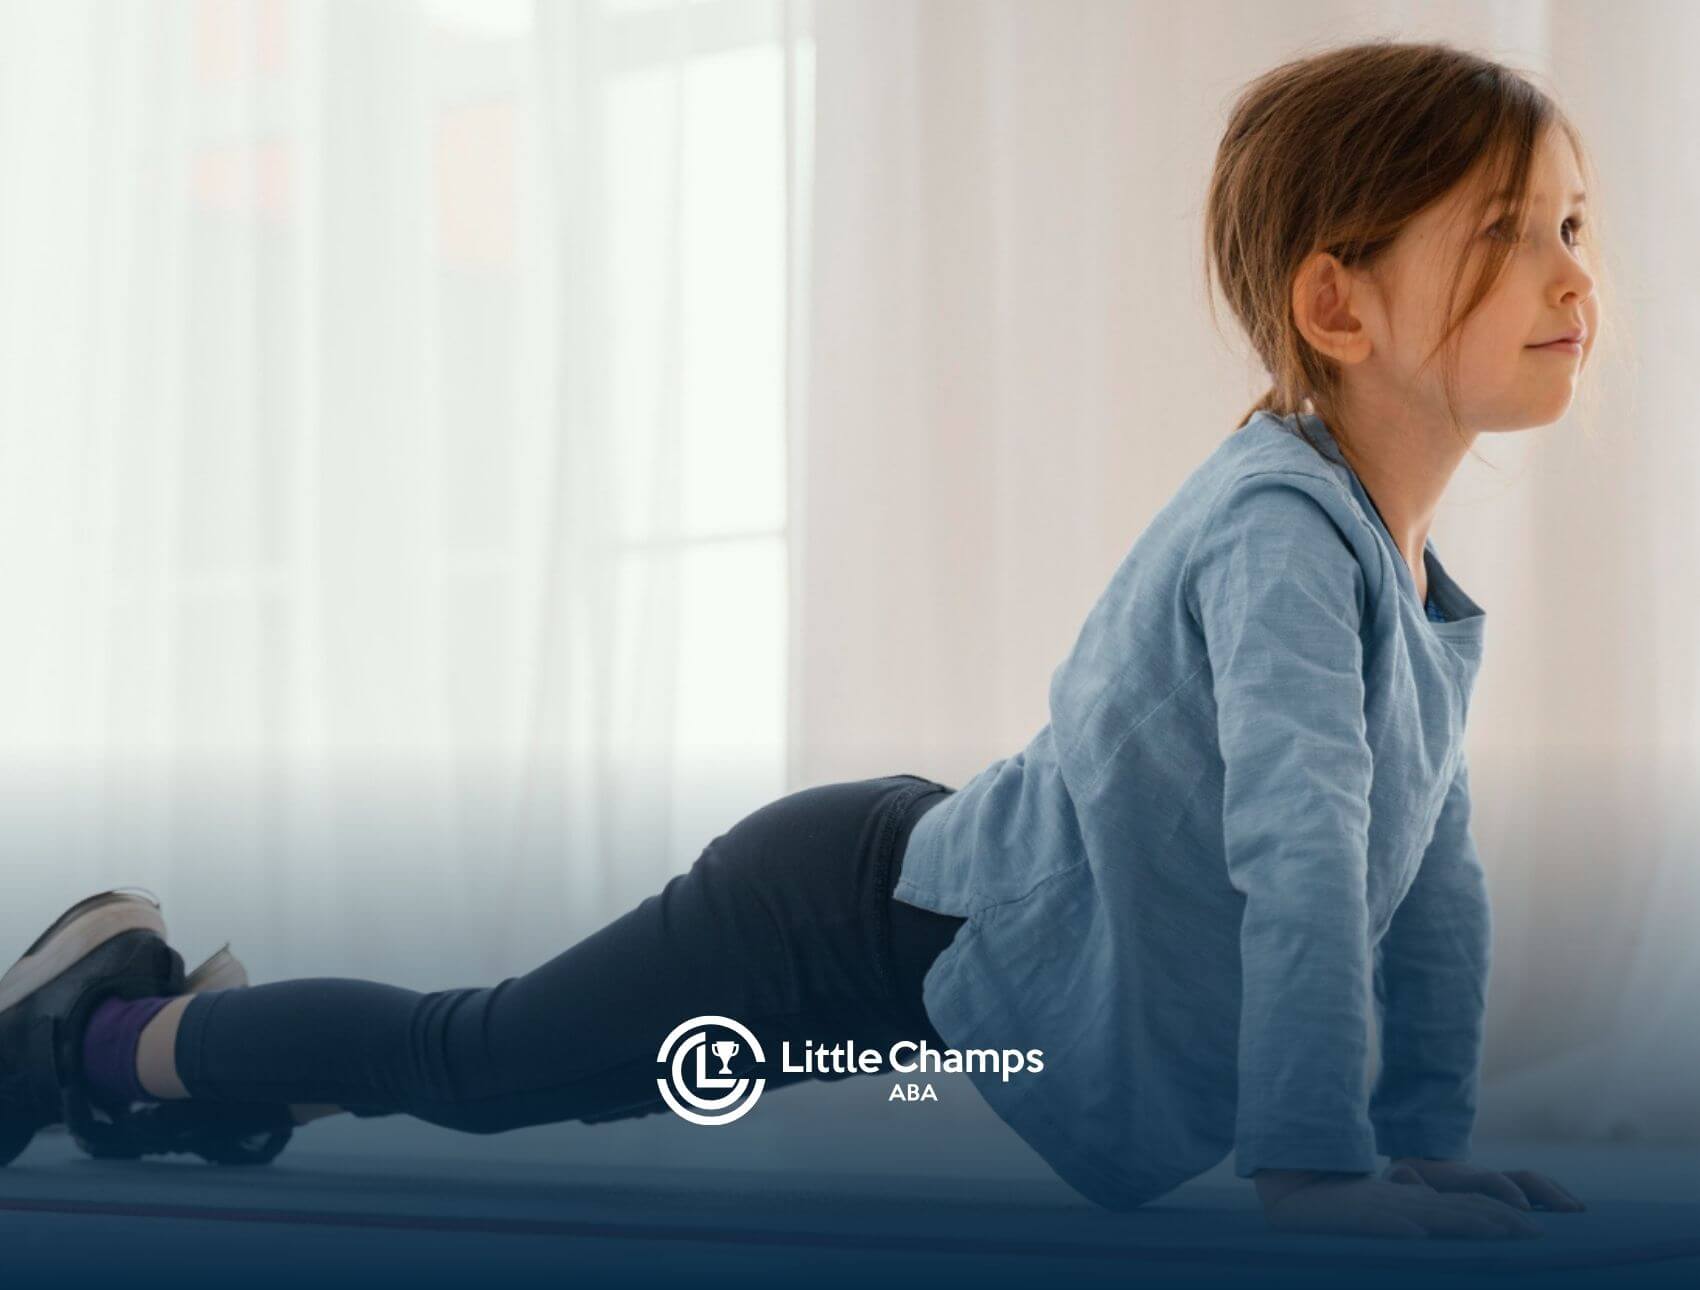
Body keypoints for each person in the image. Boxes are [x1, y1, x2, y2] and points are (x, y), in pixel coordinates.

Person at [0, 39, 1600, 1240]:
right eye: (1511, 228)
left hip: (914, 938)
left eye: (1577, 226)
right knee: (481, 1057)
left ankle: (194, 1079)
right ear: (1340, 306)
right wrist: (1317, 1165)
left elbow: (1427, 888)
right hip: (831, 923)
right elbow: (1301, 852)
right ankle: (104, 1027)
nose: (1570, 273)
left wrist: (1416, 1136)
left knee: (537, 1064)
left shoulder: (1409, 582)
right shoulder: (1280, 533)